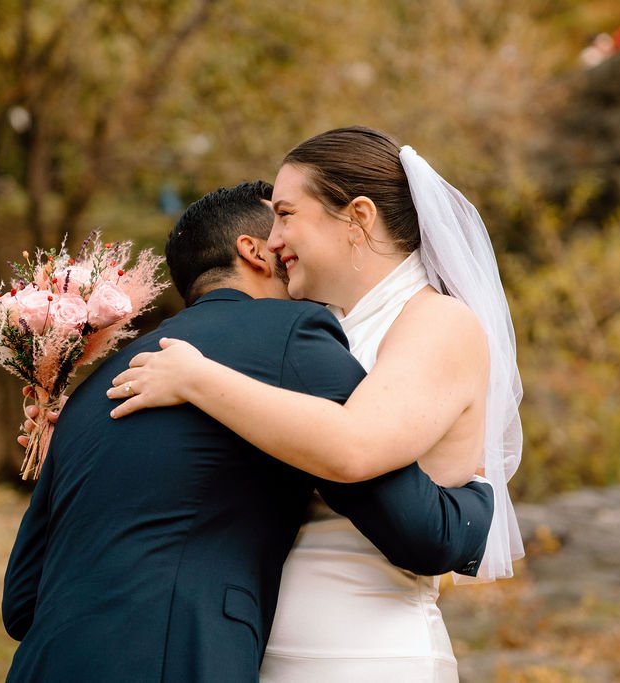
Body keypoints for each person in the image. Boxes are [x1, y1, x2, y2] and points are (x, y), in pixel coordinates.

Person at [3, 181, 494, 681]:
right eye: (278, 222)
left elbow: (21, 602)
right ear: (255, 251)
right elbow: (421, 534)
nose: (288, 242)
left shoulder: (93, 390)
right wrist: (475, 492)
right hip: (177, 660)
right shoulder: (288, 334)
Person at [106, 126, 525, 681]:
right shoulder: (320, 333)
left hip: (362, 654)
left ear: (357, 216)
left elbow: (354, 447)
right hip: (256, 647)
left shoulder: (438, 321)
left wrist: (196, 379)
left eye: (285, 214)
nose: (272, 240)